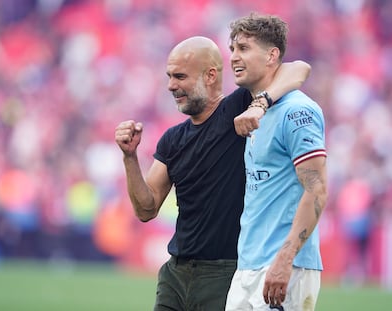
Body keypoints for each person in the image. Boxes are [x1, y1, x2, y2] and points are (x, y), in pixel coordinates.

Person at [115, 36, 310, 311]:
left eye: (180, 76)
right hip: (175, 273)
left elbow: (298, 68)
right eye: (169, 76)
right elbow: (146, 209)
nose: (171, 85)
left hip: (224, 272)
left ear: (210, 76)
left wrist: (260, 103)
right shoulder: (172, 139)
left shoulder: (238, 107)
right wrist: (129, 157)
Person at [225, 13, 328, 311]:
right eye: (232, 49)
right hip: (248, 266)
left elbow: (317, 190)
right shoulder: (255, 109)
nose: (233, 57)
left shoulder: (297, 112)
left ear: (272, 55)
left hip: (283, 266)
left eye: (243, 48)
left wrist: (286, 259)